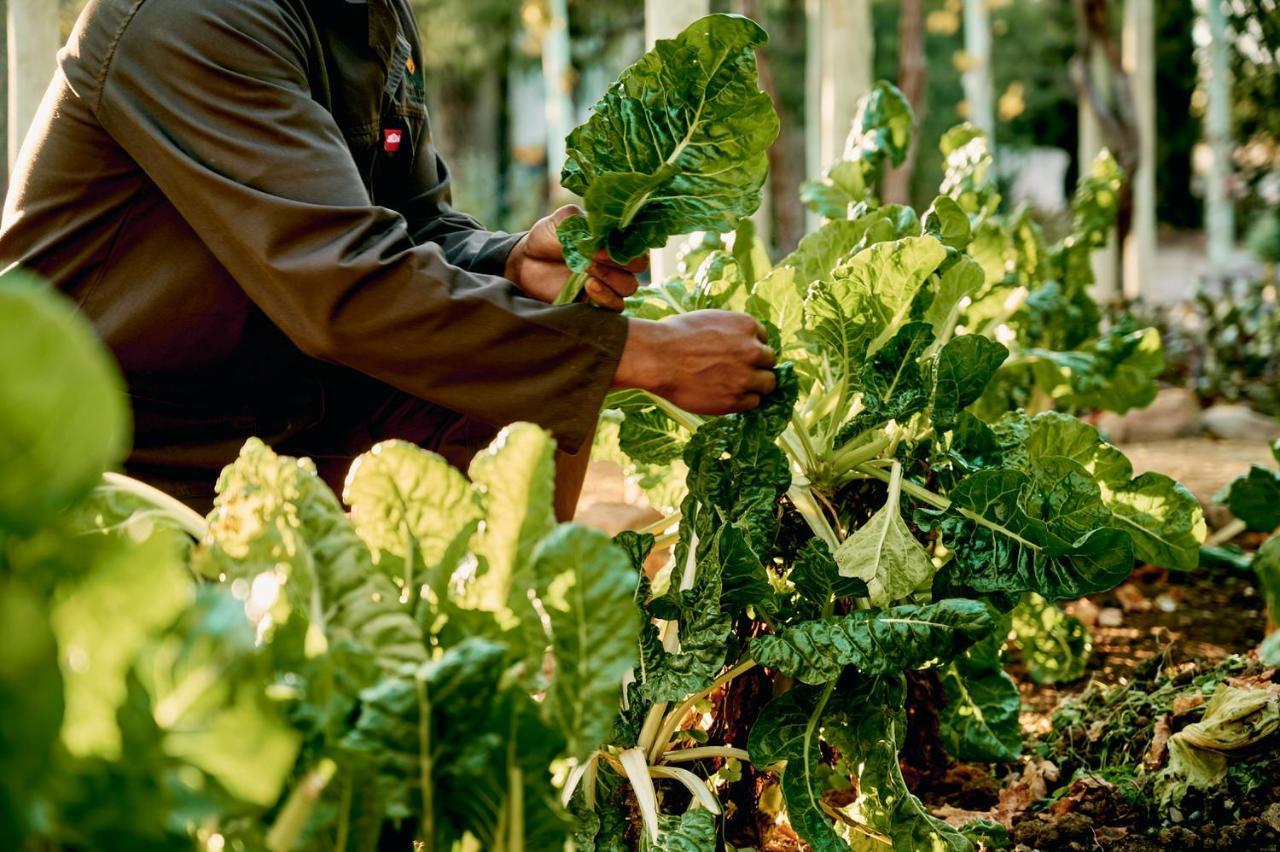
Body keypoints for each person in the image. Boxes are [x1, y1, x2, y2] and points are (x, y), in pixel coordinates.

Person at [0, 0, 777, 518]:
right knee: (559, 359)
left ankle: (485, 670)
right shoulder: (195, 16)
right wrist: (641, 354)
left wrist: (512, 262)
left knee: (539, 353)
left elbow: (412, 223)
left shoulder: (367, 13)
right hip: (113, 448)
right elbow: (344, 283)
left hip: (271, 404)